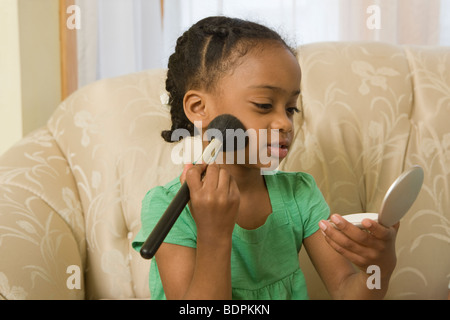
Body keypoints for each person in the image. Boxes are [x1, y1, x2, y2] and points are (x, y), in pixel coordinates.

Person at [132, 16, 398, 300]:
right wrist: (214, 234)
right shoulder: (166, 208)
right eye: (264, 105)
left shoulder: (299, 194)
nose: (284, 123)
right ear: (199, 108)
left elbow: (346, 291)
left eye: (291, 108)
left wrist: (379, 267)